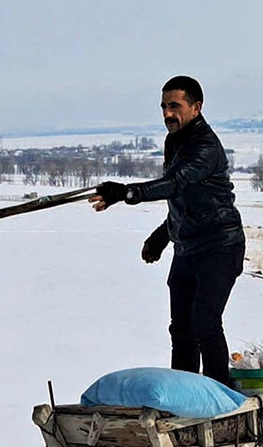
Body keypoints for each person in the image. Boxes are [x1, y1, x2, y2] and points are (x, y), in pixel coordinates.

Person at [88, 75, 245, 386]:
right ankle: (184, 392)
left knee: (205, 323)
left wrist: (126, 193)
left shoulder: (204, 146)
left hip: (220, 246)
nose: (167, 113)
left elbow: (176, 183)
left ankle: (220, 397)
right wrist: (161, 237)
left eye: (175, 106)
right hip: (187, 247)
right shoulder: (175, 141)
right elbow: (183, 200)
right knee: (182, 328)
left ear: (196, 108)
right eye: (163, 106)